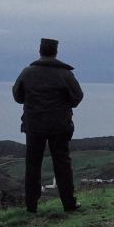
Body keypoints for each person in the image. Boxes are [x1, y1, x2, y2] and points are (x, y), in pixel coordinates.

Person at [13, 38, 84, 213]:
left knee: (32, 165)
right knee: (62, 164)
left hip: (34, 126)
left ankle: (31, 206)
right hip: (59, 126)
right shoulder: (65, 74)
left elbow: (17, 96)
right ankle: (69, 203)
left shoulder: (27, 72)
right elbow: (77, 97)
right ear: (55, 52)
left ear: (40, 51)